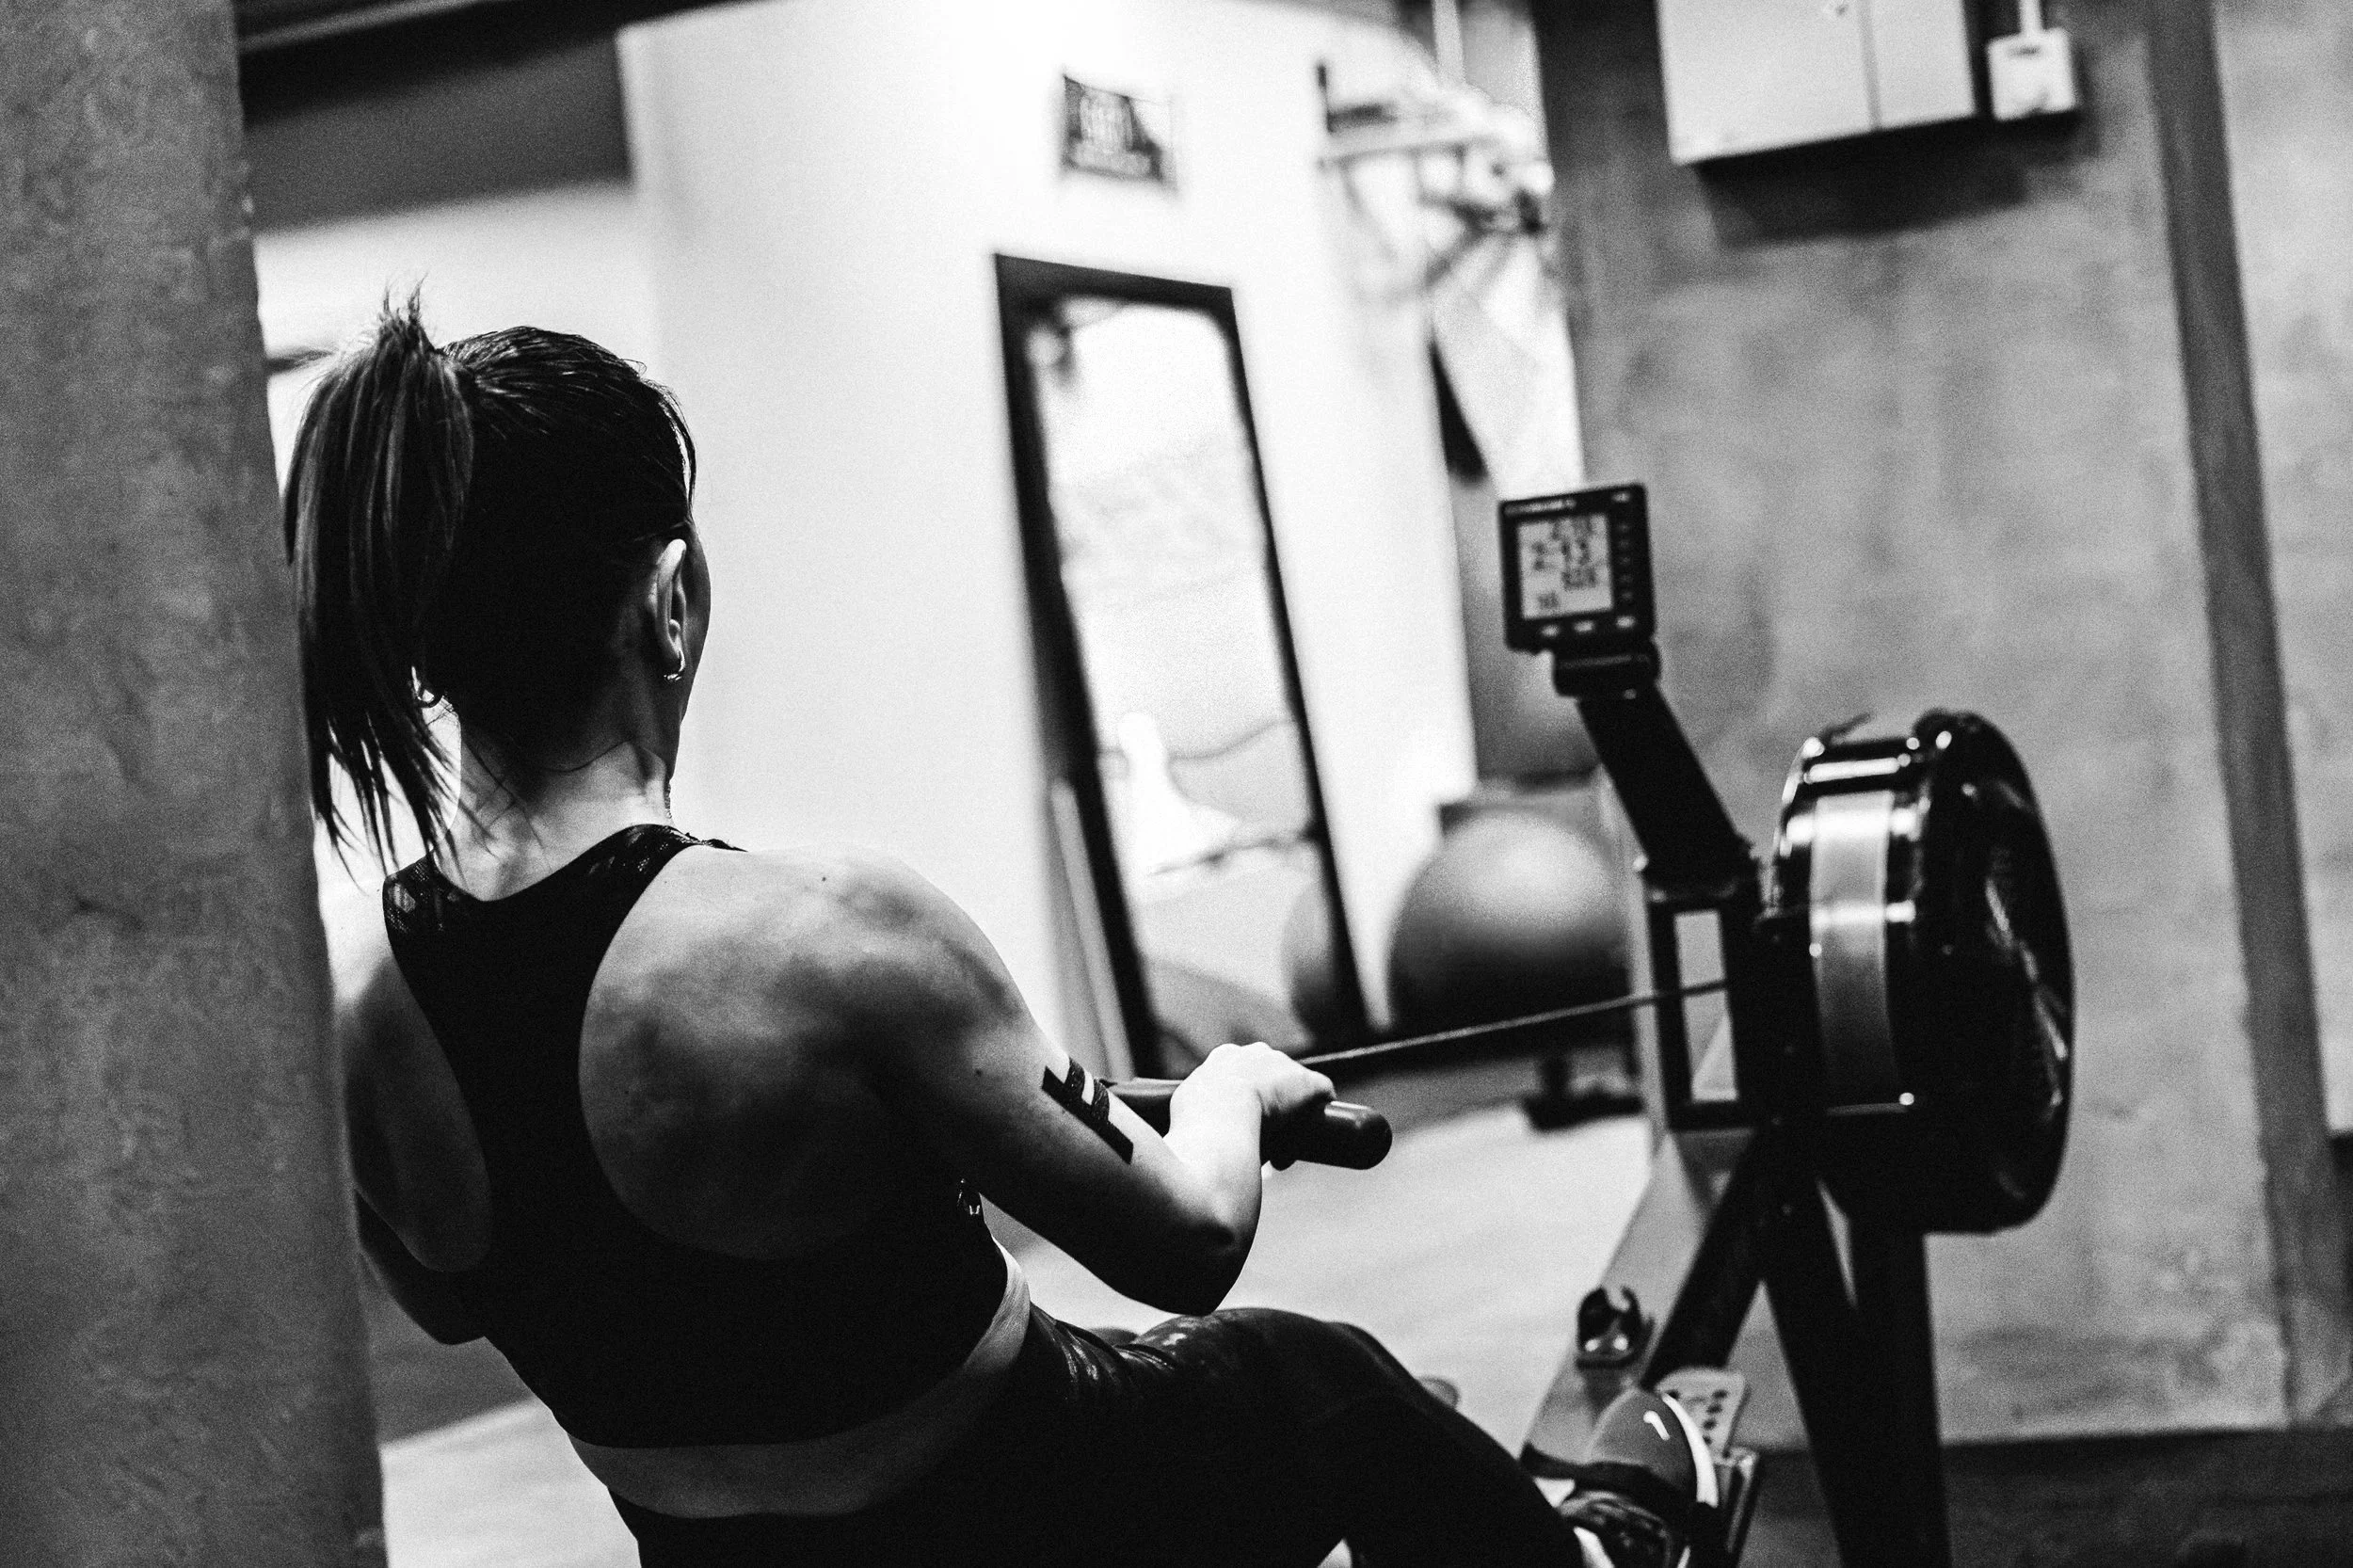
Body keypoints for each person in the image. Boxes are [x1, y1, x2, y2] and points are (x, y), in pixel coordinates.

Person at [294, 299, 1709, 1568]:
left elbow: (449, 1302)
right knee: (1312, 1378)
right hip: (1043, 1513)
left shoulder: (344, 997)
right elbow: (1188, 1238)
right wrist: (1228, 1090)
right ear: (668, 604)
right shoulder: (825, 932)